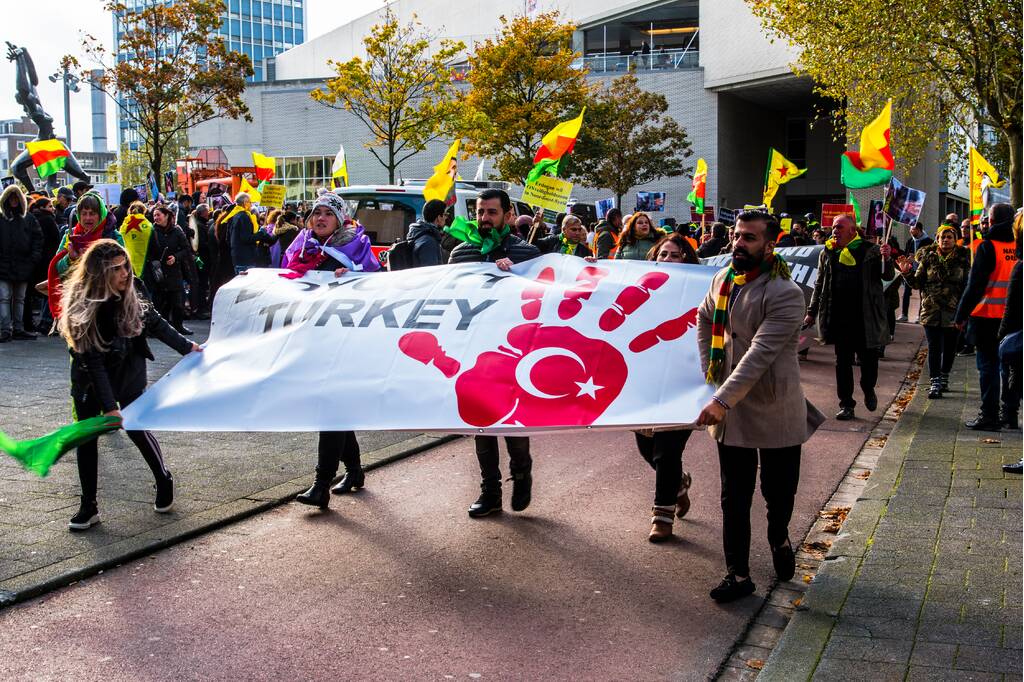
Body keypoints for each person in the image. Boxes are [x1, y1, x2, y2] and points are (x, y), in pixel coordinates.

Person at [696, 210, 825, 603]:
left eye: (749, 238)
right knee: (733, 495)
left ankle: (779, 536)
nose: (738, 243)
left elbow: (760, 353)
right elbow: (703, 319)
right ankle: (738, 574)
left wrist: (721, 398)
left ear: (770, 245)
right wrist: (710, 375)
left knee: (777, 492)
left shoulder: (785, 292)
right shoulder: (723, 279)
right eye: (737, 235)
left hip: (773, 405)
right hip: (731, 410)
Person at [58, 239, 201, 530]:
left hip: (127, 368)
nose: (125, 273)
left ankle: (163, 478)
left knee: (136, 426)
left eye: (126, 266)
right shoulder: (82, 305)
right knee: (86, 438)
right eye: (116, 269)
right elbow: (92, 363)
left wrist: (187, 347)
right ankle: (88, 505)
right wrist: (109, 408)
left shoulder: (133, 289)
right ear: (99, 273)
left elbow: (155, 323)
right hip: (89, 378)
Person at [449, 188, 541, 517]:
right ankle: (490, 491)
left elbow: (543, 297)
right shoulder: (461, 252)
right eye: (480, 212)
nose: (484, 218)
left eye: (491, 212)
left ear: (508, 215)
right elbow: (449, 296)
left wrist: (515, 275)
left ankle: (522, 470)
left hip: (512, 350)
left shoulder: (527, 252)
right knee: (481, 423)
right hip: (473, 349)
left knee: (512, 421)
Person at [286, 192, 380, 509]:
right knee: (334, 410)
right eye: (317, 212)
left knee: (332, 410)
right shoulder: (302, 246)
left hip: (346, 344)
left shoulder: (355, 247)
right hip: (315, 341)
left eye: (328, 213)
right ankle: (354, 471)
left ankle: (321, 484)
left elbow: (378, 288)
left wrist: (353, 280)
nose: (321, 218)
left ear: (339, 219)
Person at [638, 234, 700, 541]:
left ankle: (662, 517)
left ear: (687, 259)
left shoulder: (701, 289)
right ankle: (679, 485)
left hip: (681, 382)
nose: (669, 260)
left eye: (676, 255)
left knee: (667, 451)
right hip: (646, 380)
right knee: (647, 449)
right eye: (664, 254)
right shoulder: (639, 289)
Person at [806, 214, 894, 420]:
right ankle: (846, 404)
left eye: (839, 227)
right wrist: (811, 312)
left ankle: (868, 388)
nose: (834, 230)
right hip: (839, 317)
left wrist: (887, 258)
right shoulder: (828, 252)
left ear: (852, 231)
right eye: (833, 227)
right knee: (842, 362)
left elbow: (887, 276)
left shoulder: (871, 250)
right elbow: (819, 283)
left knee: (869, 361)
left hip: (865, 318)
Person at [954, 203, 1020, 431]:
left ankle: (989, 416)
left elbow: (975, 286)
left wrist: (961, 315)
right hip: (1014, 318)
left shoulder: (987, 247)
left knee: (988, 367)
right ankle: (1010, 414)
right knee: (1011, 367)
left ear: (991, 221)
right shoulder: (1018, 245)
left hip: (987, 317)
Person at [896, 224, 969, 398]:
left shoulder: (963, 259)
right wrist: (906, 273)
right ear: (937, 240)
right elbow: (916, 283)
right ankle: (934, 381)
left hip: (953, 311)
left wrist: (965, 311)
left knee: (950, 348)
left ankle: (944, 376)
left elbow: (967, 286)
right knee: (934, 347)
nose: (945, 240)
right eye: (942, 237)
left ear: (955, 240)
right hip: (931, 311)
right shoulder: (928, 258)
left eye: (949, 237)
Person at [0, 184, 43, 342]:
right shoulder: (2, 218)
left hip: (23, 265)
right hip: (5, 265)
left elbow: (38, 239)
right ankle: (6, 330)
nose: (13, 200)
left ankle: (17, 329)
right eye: (11, 197)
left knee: (19, 298)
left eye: (16, 197)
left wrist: (33, 258)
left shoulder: (29, 219)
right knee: (5, 298)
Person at [150, 205, 192, 335]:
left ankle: (178, 326)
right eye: (154, 215)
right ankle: (163, 330)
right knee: (162, 303)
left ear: (166, 215)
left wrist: (176, 257)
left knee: (177, 303)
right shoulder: (152, 231)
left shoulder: (177, 230)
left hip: (174, 271)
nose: (156, 218)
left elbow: (186, 249)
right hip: (159, 272)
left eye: (158, 215)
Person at [25, 196, 60, 333]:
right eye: (50, 206)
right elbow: (56, 238)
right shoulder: (49, 220)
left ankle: (42, 321)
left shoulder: (31, 218)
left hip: (36, 260)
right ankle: (46, 321)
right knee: (49, 290)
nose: (53, 209)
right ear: (42, 207)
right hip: (48, 259)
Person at [226, 192, 275, 274]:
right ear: (245, 203)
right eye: (250, 202)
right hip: (246, 258)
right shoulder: (244, 216)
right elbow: (246, 238)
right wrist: (261, 233)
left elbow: (229, 238)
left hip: (238, 257)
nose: (251, 204)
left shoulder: (235, 214)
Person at [897, 221, 934, 322]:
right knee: (906, 292)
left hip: (923, 272)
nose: (910, 231)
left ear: (919, 230)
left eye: (912, 229)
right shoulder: (910, 241)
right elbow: (906, 253)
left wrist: (916, 259)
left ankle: (920, 315)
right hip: (910, 271)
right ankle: (904, 315)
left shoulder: (929, 242)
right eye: (910, 229)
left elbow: (930, 258)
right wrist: (906, 260)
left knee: (922, 293)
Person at [406, 198, 447, 267]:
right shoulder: (428, 242)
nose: (446, 217)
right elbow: (431, 271)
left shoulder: (421, 234)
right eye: (445, 214)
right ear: (439, 217)